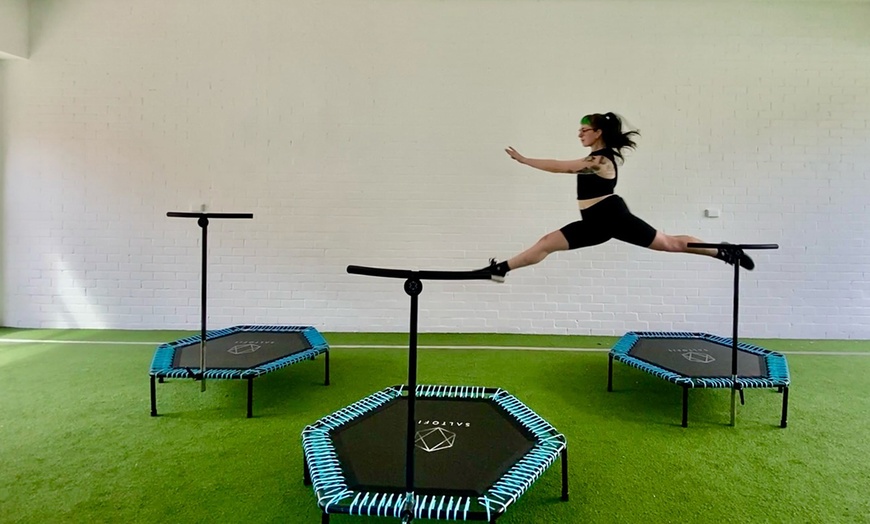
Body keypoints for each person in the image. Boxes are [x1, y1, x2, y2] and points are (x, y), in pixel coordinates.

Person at [480, 112, 754, 282]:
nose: (580, 133)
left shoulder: (600, 160)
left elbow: (560, 166)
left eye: (585, 130)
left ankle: (724, 251)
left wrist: (525, 160)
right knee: (546, 243)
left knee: (669, 244)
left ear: (598, 132)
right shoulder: (594, 158)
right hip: (593, 223)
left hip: (611, 217)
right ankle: (501, 270)